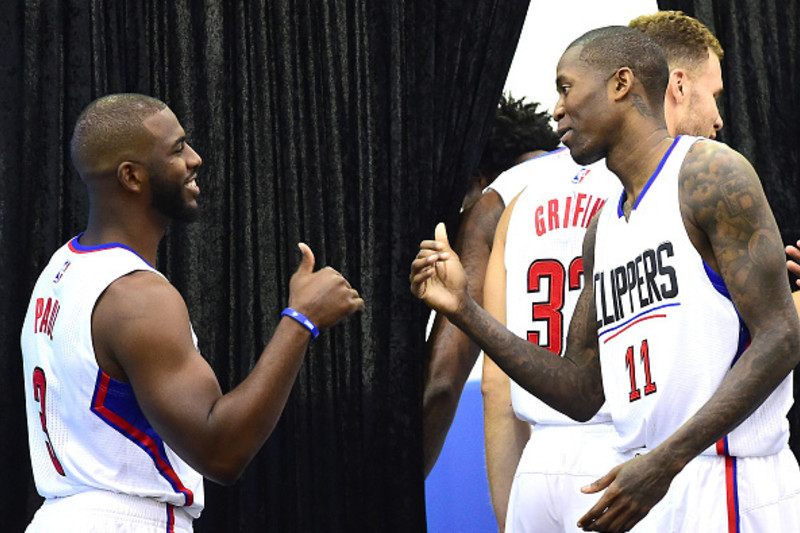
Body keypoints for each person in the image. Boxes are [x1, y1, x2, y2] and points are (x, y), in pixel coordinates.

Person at [411, 26, 800, 532]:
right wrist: (465, 311)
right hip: (653, 478)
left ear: (621, 84)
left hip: (728, 479)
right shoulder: (605, 228)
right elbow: (579, 390)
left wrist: (665, 460)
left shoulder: (708, 172)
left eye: (566, 88)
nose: (556, 109)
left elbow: (781, 337)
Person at [20, 93, 364, 532]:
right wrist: (301, 320)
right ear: (132, 176)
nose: (195, 159)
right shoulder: (136, 296)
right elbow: (222, 452)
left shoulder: (60, 270)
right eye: (178, 148)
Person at [482, 11, 730, 532]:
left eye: (568, 88)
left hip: (543, 456)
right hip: (634, 453)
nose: (718, 117)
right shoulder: (653, 191)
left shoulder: (519, 200)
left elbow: (494, 389)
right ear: (676, 86)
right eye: (714, 94)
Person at [423, 94, 559, 475]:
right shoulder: (614, 185)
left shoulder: (490, 208)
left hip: (547, 452)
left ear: (478, 179)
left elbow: (443, 385)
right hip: (647, 450)